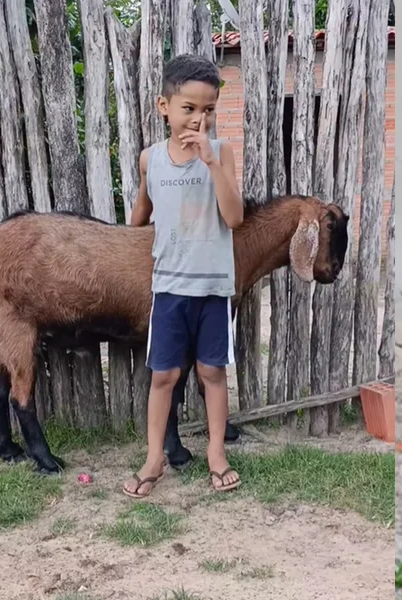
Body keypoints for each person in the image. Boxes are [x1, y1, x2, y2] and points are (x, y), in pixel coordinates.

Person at [122, 54, 244, 498]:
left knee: (212, 372)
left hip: (212, 286)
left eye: (208, 109)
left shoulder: (223, 153)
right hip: (168, 286)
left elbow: (234, 218)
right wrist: (123, 236)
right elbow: (142, 209)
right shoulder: (149, 159)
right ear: (164, 106)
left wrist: (211, 164)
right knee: (163, 377)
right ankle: (154, 457)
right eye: (189, 108)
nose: (199, 118)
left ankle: (216, 453)